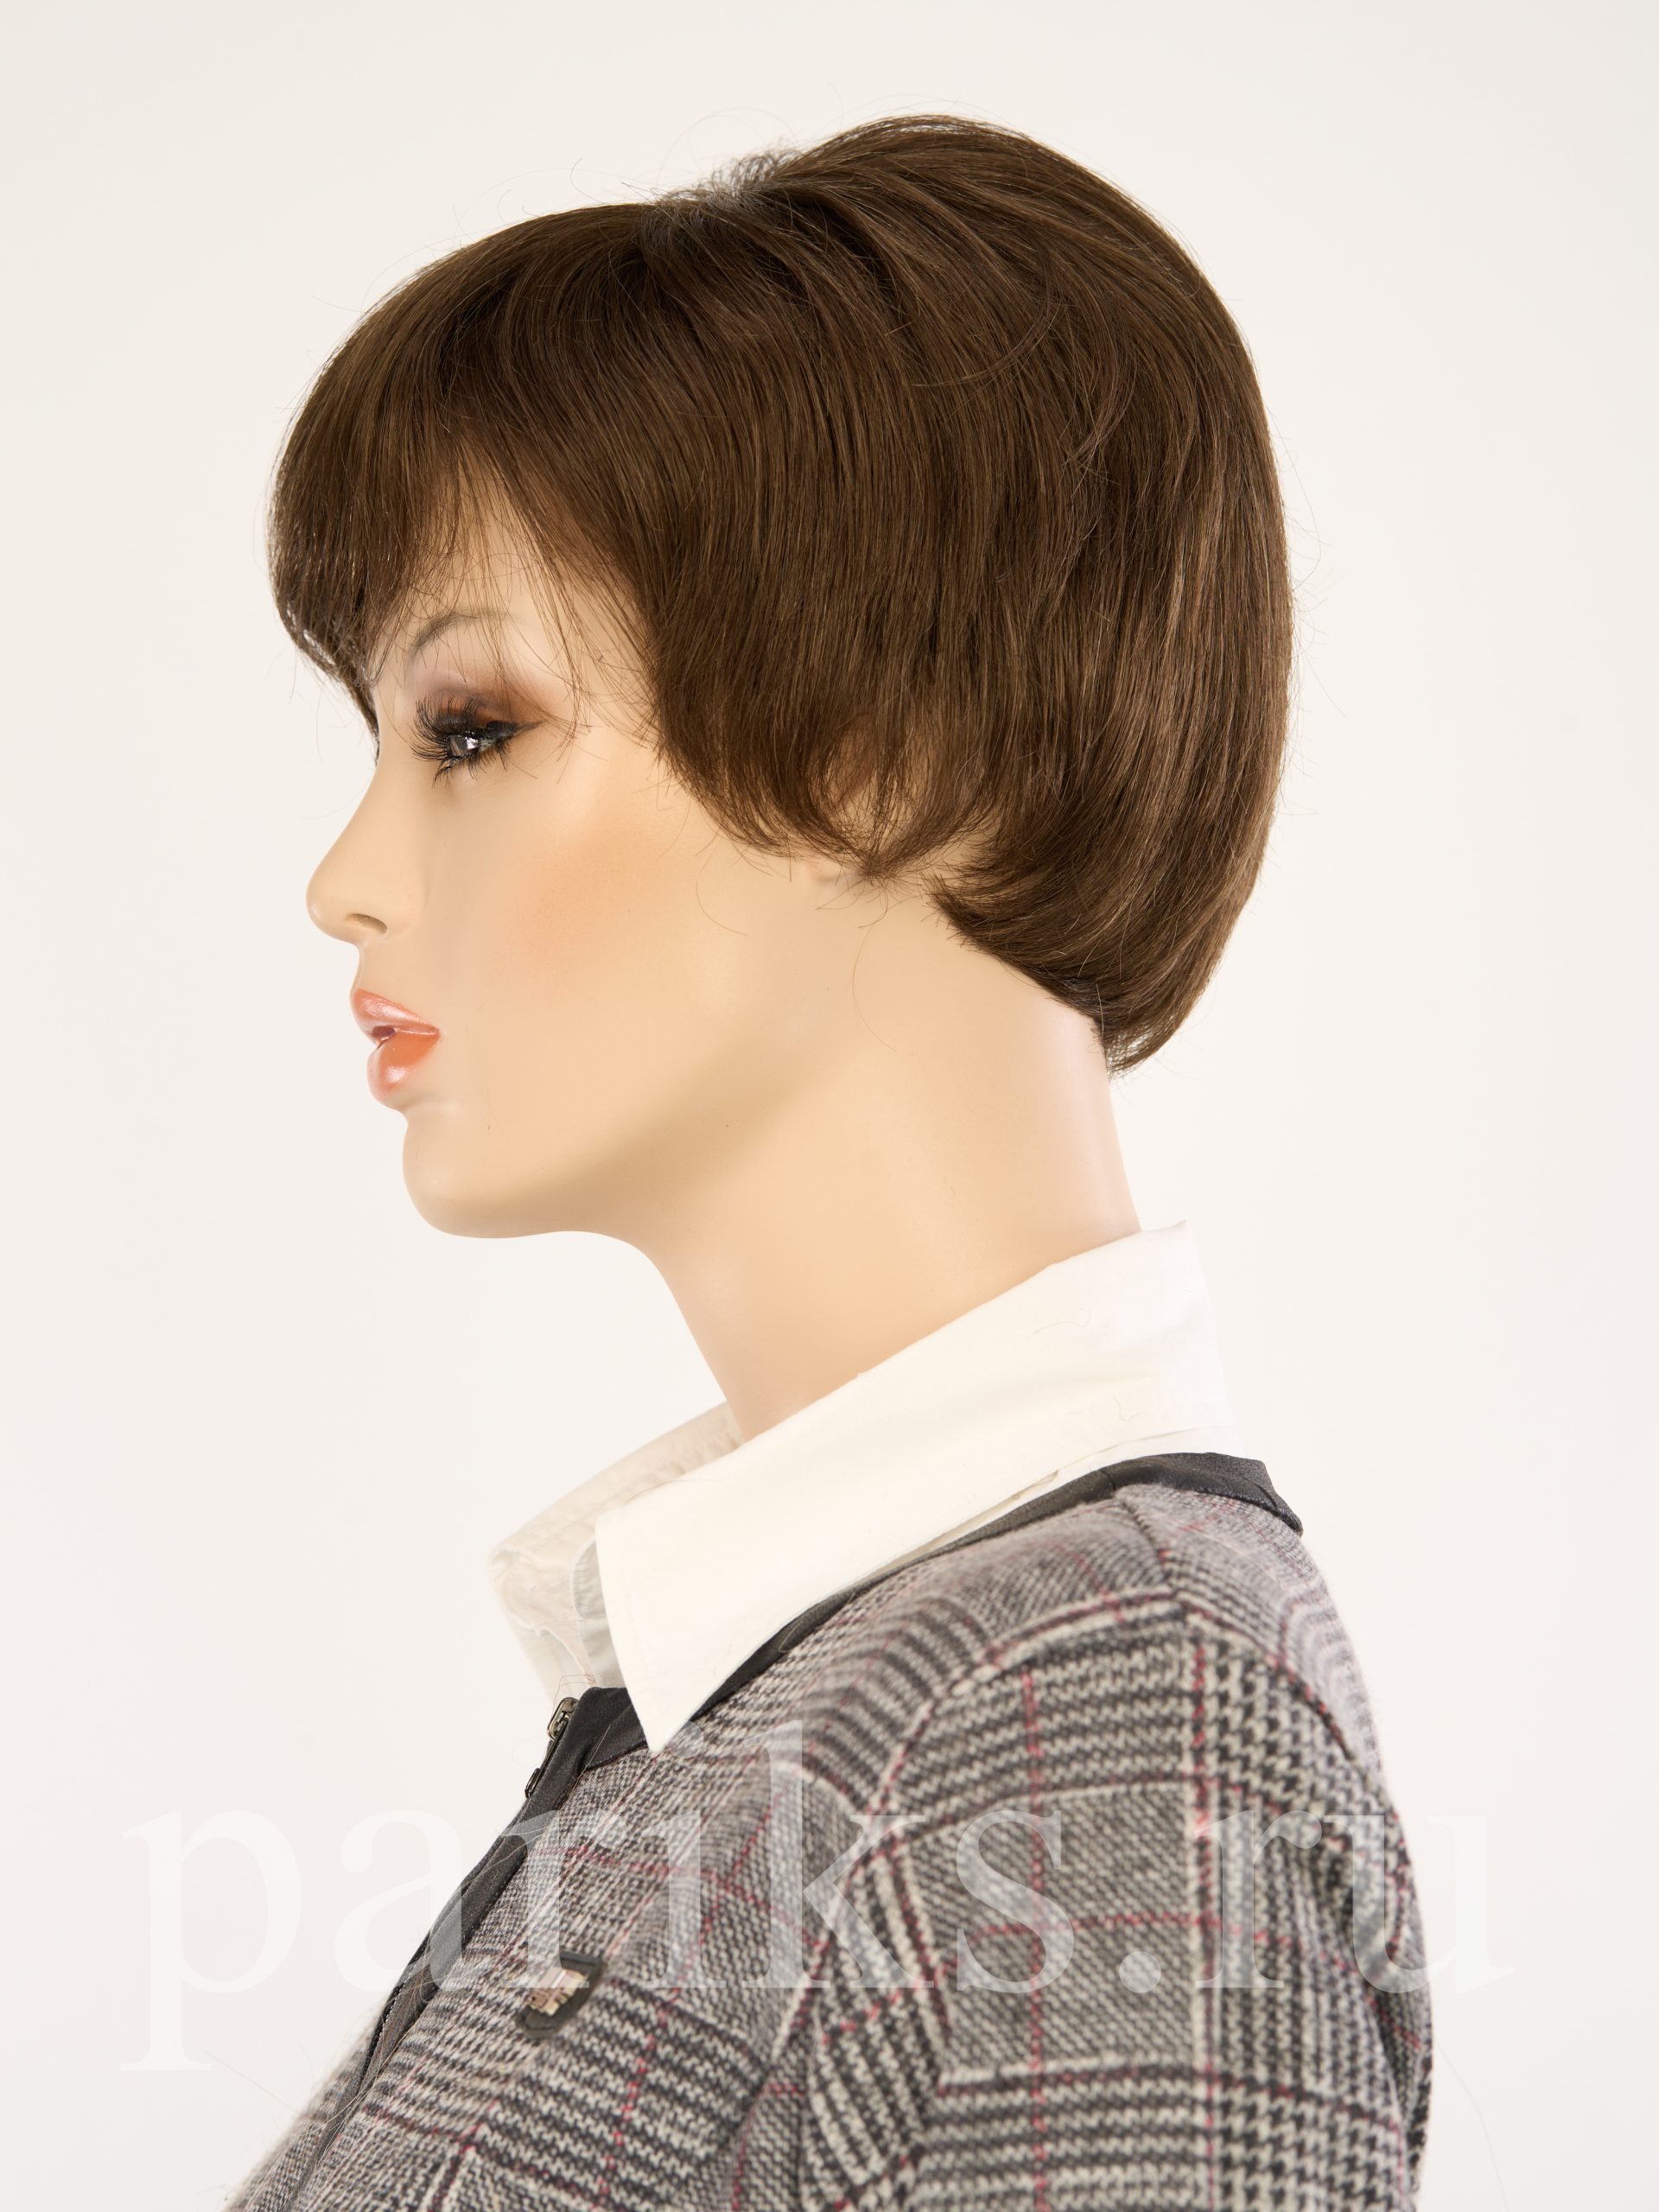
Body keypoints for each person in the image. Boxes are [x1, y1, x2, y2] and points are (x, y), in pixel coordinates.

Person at [226, 111, 1432, 2210]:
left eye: (474, 729)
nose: (347, 876)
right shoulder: (867, 1677)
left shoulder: (1105, 1717)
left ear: (894, 746)